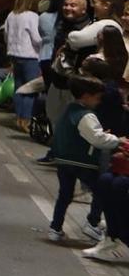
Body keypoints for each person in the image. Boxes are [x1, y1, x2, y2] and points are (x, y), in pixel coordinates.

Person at [47, 72, 121, 242]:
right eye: (97, 98)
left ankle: (55, 228)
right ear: (87, 96)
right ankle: (92, 223)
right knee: (101, 190)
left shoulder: (69, 109)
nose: (99, 101)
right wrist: (116, 140)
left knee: (64, 194)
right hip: (83, 161)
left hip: (63, 159)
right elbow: (97, 138)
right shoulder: (87, 115)